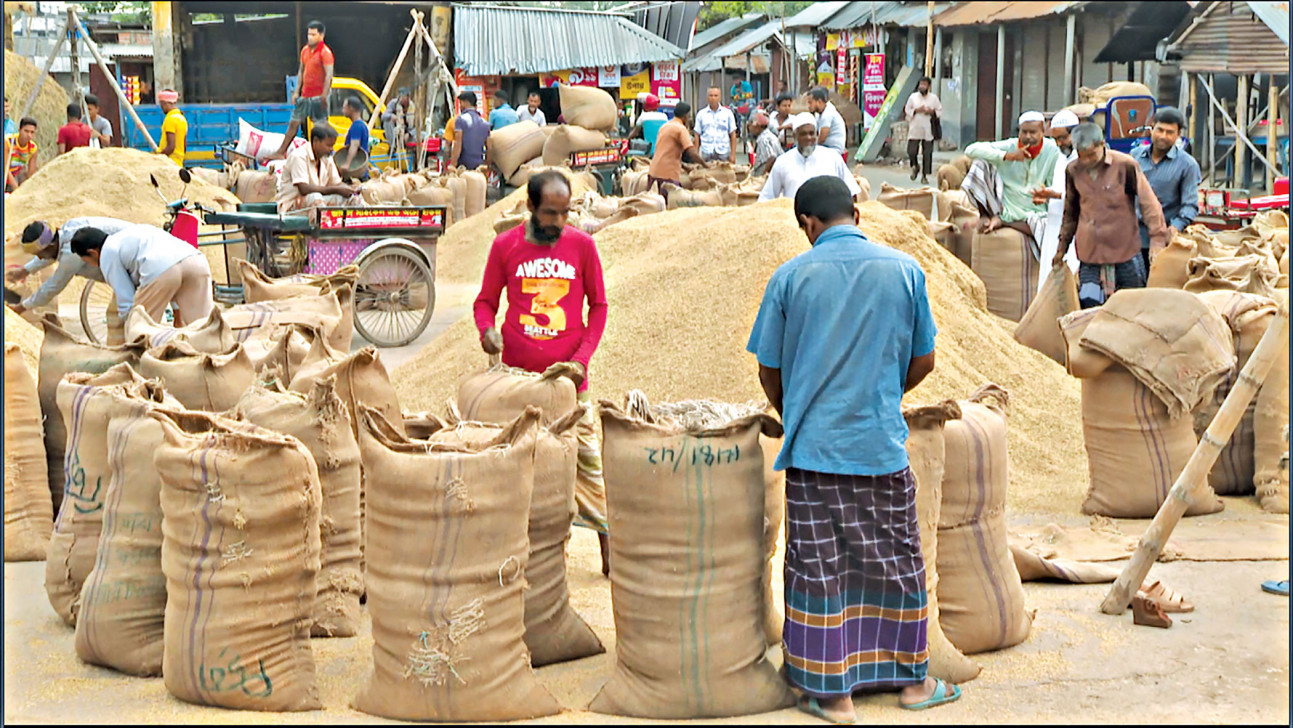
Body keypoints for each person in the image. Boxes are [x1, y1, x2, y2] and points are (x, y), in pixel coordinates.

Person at [747, 175, 960, 723]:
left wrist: (791, 409)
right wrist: (884, 392)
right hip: (881, 446)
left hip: (815, 452)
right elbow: (925, 359)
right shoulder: (905, 270)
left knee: (819, 566)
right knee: (895, 562)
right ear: (857, 215)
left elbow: (769, 366)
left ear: (808, 225)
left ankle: (833, 695)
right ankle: (911, 684)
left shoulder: (790, 277)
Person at [474, 169, 611, 576]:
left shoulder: (582, 246)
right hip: (517, 383)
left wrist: (581, 360)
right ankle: (517, 550)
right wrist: (487, 332)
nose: (559, 222)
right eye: (550, 213)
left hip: (570, 384)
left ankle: (608, 552)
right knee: (518, 467)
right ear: (531, 207)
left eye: (565, 213)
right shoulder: (505, 247)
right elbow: (485, 303)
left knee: (588, 465)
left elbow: (599, 307)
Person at [1054, 123, 1169, 309]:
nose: (1087, 161)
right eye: (1082, 156)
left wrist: (1157, 239)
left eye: (1092, 155)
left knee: (1132, 305)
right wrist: (1062, 247)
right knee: (1088, 303)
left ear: (1102, 145)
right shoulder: (1073, 170)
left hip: (1124, 251)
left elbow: (1149, 204)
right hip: (1090, 253)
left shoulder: (1125, 165)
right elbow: (1070, 212)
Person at [70, 223, 214, 327]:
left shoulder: (107, 254)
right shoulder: (128, 235)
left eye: (87, 261)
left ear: (92, 253)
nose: (90, 265)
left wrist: (128, 325)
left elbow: (126, 300)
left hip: (161, 270)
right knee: (205, 328)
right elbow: (176, 277)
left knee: (142, 330)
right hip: (195, 260)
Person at [961, 111, 1061, 251]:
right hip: (1007, 202)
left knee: (1048, 228)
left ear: (1043, 131)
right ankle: (985, 214)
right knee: (980, 163)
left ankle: (1004, 222)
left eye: (1033, 132)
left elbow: (1053, 183)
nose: (1028, 137)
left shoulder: (1052, 151)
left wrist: (1045, 195)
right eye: (1024, 132)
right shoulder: (1011, 145)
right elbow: (970, 150)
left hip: (1034, 207)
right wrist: (1009, 156)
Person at [8, 218, 133, 321]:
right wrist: (25, 270)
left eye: (39, 254)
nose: (39, 258)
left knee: (129, 313)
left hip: (133, 260)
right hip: (130, 252)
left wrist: (22, 307)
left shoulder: (72, 253)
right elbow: (52, 254)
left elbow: (53, 286)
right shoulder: (67, 231)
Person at [1131, 106, 1201, 270]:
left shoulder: (1187, 165)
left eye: (1170, 132)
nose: (1163, 136)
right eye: (1160, 130)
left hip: (1163, 241)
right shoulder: (1135, 156)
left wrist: (1175, 227)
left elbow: (1190, 205)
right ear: (1152, 128)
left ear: (1178, 135)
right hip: (1131, 239)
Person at [268, 19, 333, 160]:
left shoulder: (325, 53)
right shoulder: (305, 51)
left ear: (321, 35)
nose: (310, 37)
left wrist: (324, 95)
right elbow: (301, 71)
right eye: (309, 34)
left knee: (320, 128)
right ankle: (281, 152)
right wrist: (297, 91)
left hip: (318, 97)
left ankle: (323, 156)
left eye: (313, 34)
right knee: (294, 123)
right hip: (305, 95)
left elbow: (329, 75)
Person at [1033, 109, 1082, 294]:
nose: (1059, 143)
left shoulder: (1084, 157)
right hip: (1054, 225)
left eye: (1063, 138)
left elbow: (1082, 194)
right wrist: (1045, 197)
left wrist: (1053, 195)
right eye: (1056, 139)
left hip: (1074, 229)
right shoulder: (1061, 157)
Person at [758, 113, 858, 201]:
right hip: (793, 218)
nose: (808, 138)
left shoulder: (832, 158)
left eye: (811, 133)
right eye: (803, 134)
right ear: (795, 136)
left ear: (817, 135)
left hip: (828, 219)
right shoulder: (783, 162)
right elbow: (767, 197)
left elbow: (852, 192)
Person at [276, 123, 359, 214]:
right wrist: (336, 190)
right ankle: (325, 226)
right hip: (291, 207)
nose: (331, 149)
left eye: (332, 145)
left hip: (316, 203)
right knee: (315, 197)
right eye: (328, 145)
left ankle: (364, 225)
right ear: (315, 141)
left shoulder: (326, 158)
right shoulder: (299, 156)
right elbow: (304, 189)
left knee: (351, 198)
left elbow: (336, 183)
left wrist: (350, 190)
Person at [646, 101, 706, 203]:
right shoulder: (681, 129)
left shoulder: (665, 126)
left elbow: (667, 152)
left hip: (654, 172)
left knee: (653, 205)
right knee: (671, 206)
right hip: (668, 175)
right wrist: (705, 165)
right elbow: (691, 152)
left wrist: (683, 166)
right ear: (686, 116)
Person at [904, 76, 942, 185]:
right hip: (915, 128)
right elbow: (907, 110)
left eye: (925, 84)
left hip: (928, 129)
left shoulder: (933, 98)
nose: (922, 86)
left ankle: (924, 176)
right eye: (921, 84)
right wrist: (917, 110)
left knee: (927, 153)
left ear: (929, 86)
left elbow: (939, 111)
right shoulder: (913, 97)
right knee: (911, 151)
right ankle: (915, 166)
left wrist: (931, 111)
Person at [695, 87, 737, 163]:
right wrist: (696, 155)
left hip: (723, 153)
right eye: (711, 95)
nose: (713, 98)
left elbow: (733, 135)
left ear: (720, 97)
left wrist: (733, 155)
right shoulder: (701, 114)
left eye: (715, 95)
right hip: (706, 152)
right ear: (707, 97)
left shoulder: (728, 113)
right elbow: (697, 135)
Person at [449, 91, 490, 170]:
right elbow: (489, 148)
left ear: (464, 103)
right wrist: (487, 165)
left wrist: (453, 165)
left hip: (463, 165)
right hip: (479, 165)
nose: (460, 106)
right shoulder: (485, 123)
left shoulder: (461, 120)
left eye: (460, 103)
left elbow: (458, 144)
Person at [808, 86, 847, 156]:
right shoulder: (819, 114)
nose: (809, 106)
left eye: (810, 103)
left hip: (833, 149)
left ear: (819, 102)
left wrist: (810, 147)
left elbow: (822, 138)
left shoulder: (827, 113)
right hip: (827, 148)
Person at [339, 96, 370, 181]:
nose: (342, 111)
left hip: (356, 174)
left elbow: (354, 145)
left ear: (351, 108)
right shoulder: (361, 124)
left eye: (344, 107)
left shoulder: (357, 126)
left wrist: (347, 164)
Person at [157, 90, 187, 166]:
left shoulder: (170, 119)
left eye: (162, 105)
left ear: (166, 104)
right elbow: (184, 145)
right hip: (178, 162)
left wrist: (158, 157)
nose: (162, 108)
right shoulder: (181, 118)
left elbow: (170, 147)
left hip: (169, 163)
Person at [6, 117, 39, 186]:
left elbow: (31, 174)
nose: (29, 135)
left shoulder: (33, 148)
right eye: (26, 131)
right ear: (19, 130)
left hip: (15, 173)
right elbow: (5, 168)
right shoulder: (8, 142)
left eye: (32, 132)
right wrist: (16, 189)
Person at [750, 110, 782, 176]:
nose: (750, 128)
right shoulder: (768, 135)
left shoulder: (763, 139)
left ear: (757, 126)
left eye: (750, 125)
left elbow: (772, 157)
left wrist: (763, 176)